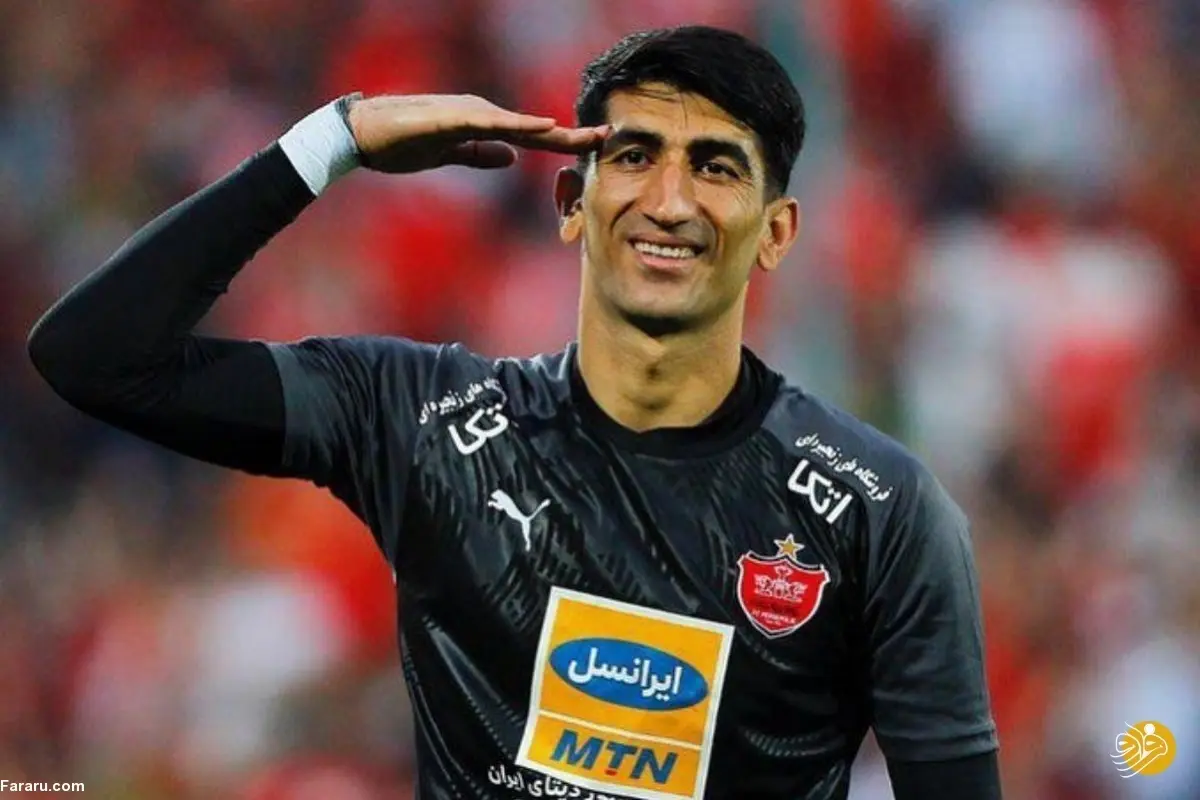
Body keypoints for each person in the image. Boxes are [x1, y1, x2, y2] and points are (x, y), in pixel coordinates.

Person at [28, 25, 1001, 800]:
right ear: (572, 200)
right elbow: (95, 357)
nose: (669, 201)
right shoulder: (424, 421)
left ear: (777, 232)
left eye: (715, 166)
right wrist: (335, 140)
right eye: (634, 154)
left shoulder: (880, 510)